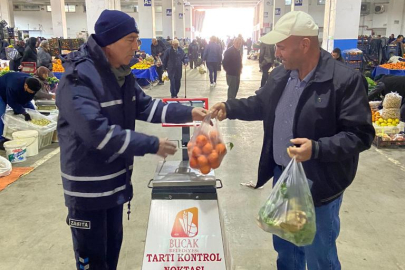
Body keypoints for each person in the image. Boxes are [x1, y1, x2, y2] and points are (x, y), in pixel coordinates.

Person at [211, 11, 375, 270]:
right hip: (283, 178)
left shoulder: (343, 81)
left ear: (304, 44)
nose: (277, 52)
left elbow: (360, 135)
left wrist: (318, 149)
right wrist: (229, 107)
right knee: (286, 251)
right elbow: (260, 104)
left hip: (318, 185)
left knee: (319, 255)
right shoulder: (280, 75)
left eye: (282, 46)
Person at [56, 10, 207, 270]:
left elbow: (147, 107)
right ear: (108, 41)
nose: (137, 47)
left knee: (111, 254)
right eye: (131, 39)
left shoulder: (121, 75)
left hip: (114, 186)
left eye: (137, 40)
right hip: (89, 191)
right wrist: (151, 144)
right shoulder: (77, 79)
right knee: (94, 261)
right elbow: (97, 133)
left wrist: (189, 112)